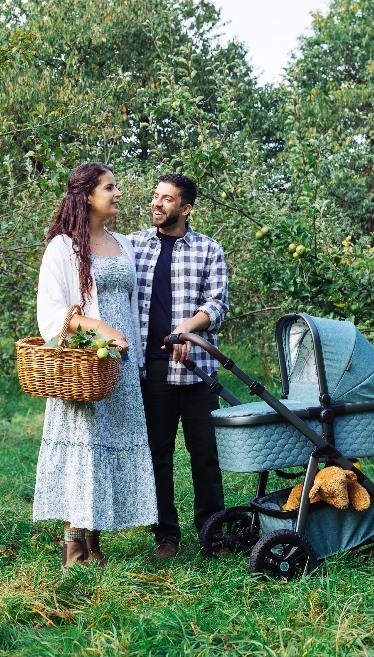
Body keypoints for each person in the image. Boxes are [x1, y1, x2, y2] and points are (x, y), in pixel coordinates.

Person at [33, 162, 158, 568]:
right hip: (87, 361)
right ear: (87, 195)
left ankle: (96, 541)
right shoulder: (64, 247)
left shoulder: (124, 244)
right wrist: (100, 328)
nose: (118, 193)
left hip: (121, 365)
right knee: (83, 449)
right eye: (110, 187)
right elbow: (53, 313)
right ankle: (73, 544)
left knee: (105, 450)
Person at [130, 173, 228, 559]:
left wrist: (188, 328)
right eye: (156, 196)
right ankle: (165, 536)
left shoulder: (208, 249)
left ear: (185, 208)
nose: (157, 204)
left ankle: (212, 533)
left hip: (198, 367)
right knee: (158, 453)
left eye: (167, 199)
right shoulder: (134, 246)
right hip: (152, 367)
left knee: (205, 453)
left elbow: (217, 305)